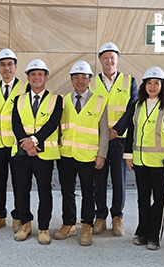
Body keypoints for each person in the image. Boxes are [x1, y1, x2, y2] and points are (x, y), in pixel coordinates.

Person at [54, 60, 108, 246]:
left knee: (88, 192)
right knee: (67, 191)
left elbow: (104, 131)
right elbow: (59, 129)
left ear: (90, 80)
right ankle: (68, 224)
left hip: (89, 156)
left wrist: (102, 154)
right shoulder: (63, 100)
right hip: (66, 155)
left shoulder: (99, 101)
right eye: (76, 77)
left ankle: (86, 225)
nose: (80, 81)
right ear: (71, 80)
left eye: (84, 77)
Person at [124, 66, 164, 250]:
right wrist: (128, 155)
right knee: (142, 198)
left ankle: (155, 235)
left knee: (159, 200)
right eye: (149, 83)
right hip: (140, 160)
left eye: (156, 83)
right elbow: (131, 131)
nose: (152, 87)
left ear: (163, 86)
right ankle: (142, 231)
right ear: (144, 85)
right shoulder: (136, 105)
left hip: (161, 162)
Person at [11, 59, 63, 245]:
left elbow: (52, 124)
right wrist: (26, 144)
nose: (36, 77)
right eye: (33, 74)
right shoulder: (19, 99)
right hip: (22, 153)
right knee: (21, 190)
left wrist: (33, 141)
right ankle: (25, 224)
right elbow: (15, 124)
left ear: (46, 77)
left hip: (44, 154)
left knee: (44, 191)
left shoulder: (56, 100)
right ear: (28, 77)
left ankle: (43, 227)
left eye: (40, 74)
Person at [92, 42, 138, 237]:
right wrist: (104, 133)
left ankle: (117, 217)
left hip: (120, 139)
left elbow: (132, 108)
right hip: (98, 139)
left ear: (117, 59)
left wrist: (116, 130)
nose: (109, 61)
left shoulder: (129, 81)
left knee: (119, 180)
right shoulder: (92, 82)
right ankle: (100, 216)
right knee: (99, 178)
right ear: (100, 60)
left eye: (112, 57)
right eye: (105, 57)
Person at [0, 49, 28, 232]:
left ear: (15, 66)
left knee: (20, 181)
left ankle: (18, 216)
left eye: (10, 64)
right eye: (2, 64)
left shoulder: (25, 88)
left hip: (17, 145)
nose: (6, 68)